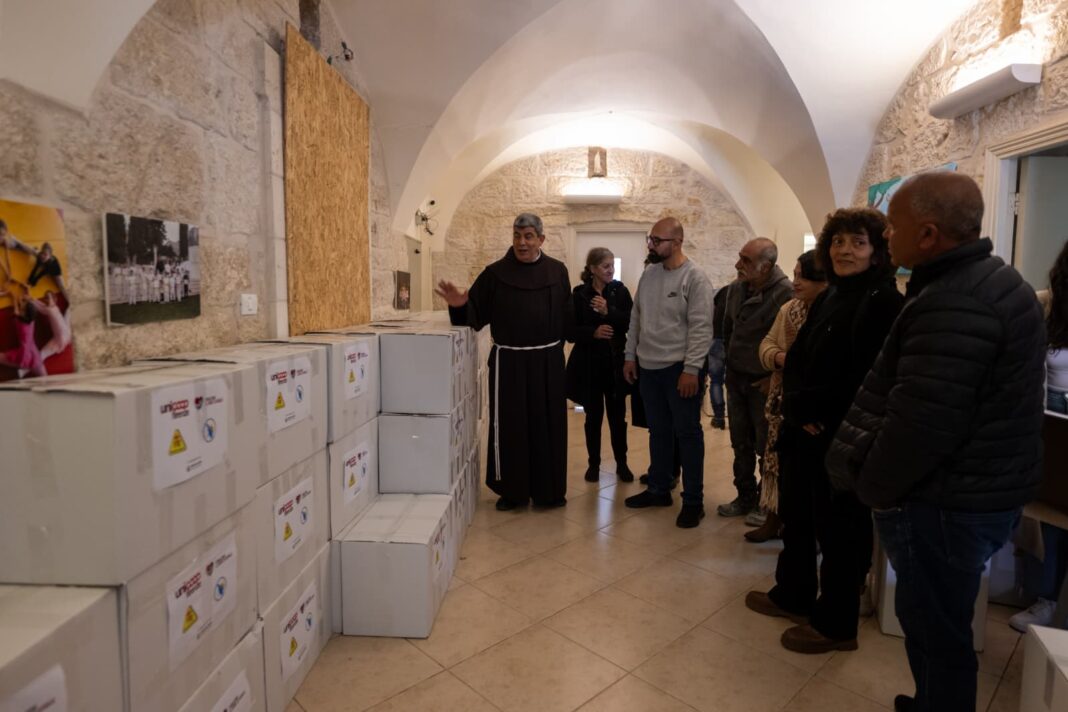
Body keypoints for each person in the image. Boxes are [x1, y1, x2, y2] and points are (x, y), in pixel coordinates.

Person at [826, 172, 1046, 712]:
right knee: (935, 624)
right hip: (970, 493)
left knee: (938, 629)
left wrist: (872, 486)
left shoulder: (955, 303)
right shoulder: (991, 281)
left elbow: (921, 424)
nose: (886, 239)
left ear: (927, 234)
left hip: (947, 501)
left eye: (893, 227)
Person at [746, 207, 903, 655]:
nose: (845, 250)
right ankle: (792, 594)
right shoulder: (834, 294)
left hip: (839, 435)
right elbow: (798, 357)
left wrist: (817, 411)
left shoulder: (882, 300)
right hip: (804, 426)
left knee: (839, 533)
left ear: (877, 251)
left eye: (857, 242)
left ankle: (836, 625)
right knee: (798, 519)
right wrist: (797, 405)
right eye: (838, 241)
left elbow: (868, 376)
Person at [435, 213, 574, 510]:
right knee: (510, 426)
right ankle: (513, 491)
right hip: (509, 362)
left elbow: (567, 316)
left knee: (548, 425)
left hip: (548, 362)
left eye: (528, 236)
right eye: (516, 236)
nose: (521, 242)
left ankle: (548, 491)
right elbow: (474, 316)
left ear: (541, 239)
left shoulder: (558, 272)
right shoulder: (495, 274)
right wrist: (459, 306)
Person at [622, 217, 714, 528]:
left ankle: (693, 501)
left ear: (677, 242)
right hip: (648, 368)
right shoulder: (649, 274)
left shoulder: (695, 278)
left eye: (657, 240)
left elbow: (702, 329)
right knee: (658, 431)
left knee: (687, 434)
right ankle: (659, 488)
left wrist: (691, 370)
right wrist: (629, 356)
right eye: (650, 239)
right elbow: (637, 318)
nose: (651, 244)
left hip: (679, 370)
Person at [744, 250, 827, 543]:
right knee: (773, 461)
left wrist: (792, 362)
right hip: (782, 402)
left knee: (806, 476)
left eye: (802, 276)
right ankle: (773, 519)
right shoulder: (789, 310)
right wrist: (779, 358)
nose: (796, 282)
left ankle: (808, 531)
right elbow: (766, 344)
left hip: (812, 408)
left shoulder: (829, 314)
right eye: (794, 275)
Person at [717, 238, 793, 518]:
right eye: (740, 257)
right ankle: (744, 495)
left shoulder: (785, 293)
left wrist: (774, 378)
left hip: (763, 383)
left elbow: (791, 342)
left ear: (766, 266)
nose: (738, 265)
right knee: (740, 442)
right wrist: (730, 365)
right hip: (736, 378)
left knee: (766, 446)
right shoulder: (736, 289)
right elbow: (728, 330)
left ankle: (767, 501)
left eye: (746, 261)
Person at [566, 247, 635, 483]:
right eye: (605, 266)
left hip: (615, 365)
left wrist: (609, 311)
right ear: (593, 269)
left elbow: (631, 323)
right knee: (592, 418)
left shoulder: (620, 291)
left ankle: (622, 464)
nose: (610, 270)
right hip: (589, 366)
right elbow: (570, 331)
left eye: (611, 266)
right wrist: (592, 332)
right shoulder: (579, 295)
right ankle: (593, 464)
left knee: (618, 418)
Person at [0, 292, 45, 378]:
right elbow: (24, 305)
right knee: (44, 376)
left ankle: (23, 368)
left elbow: (17, 308)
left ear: (24, 313)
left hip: (23, 355)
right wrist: (13, 295)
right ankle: (24, 369)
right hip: (33, 355)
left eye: (22, 309)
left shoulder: (19, 322)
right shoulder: (31, 319)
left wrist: (11, 295)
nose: (21, 308)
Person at [707, 287, 728, 429]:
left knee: (716, 381)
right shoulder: (745, 292)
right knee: (734, 383)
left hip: (716, 339)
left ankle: (719, 417)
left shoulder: (722, 291)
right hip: (733, 341)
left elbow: (710, 312)